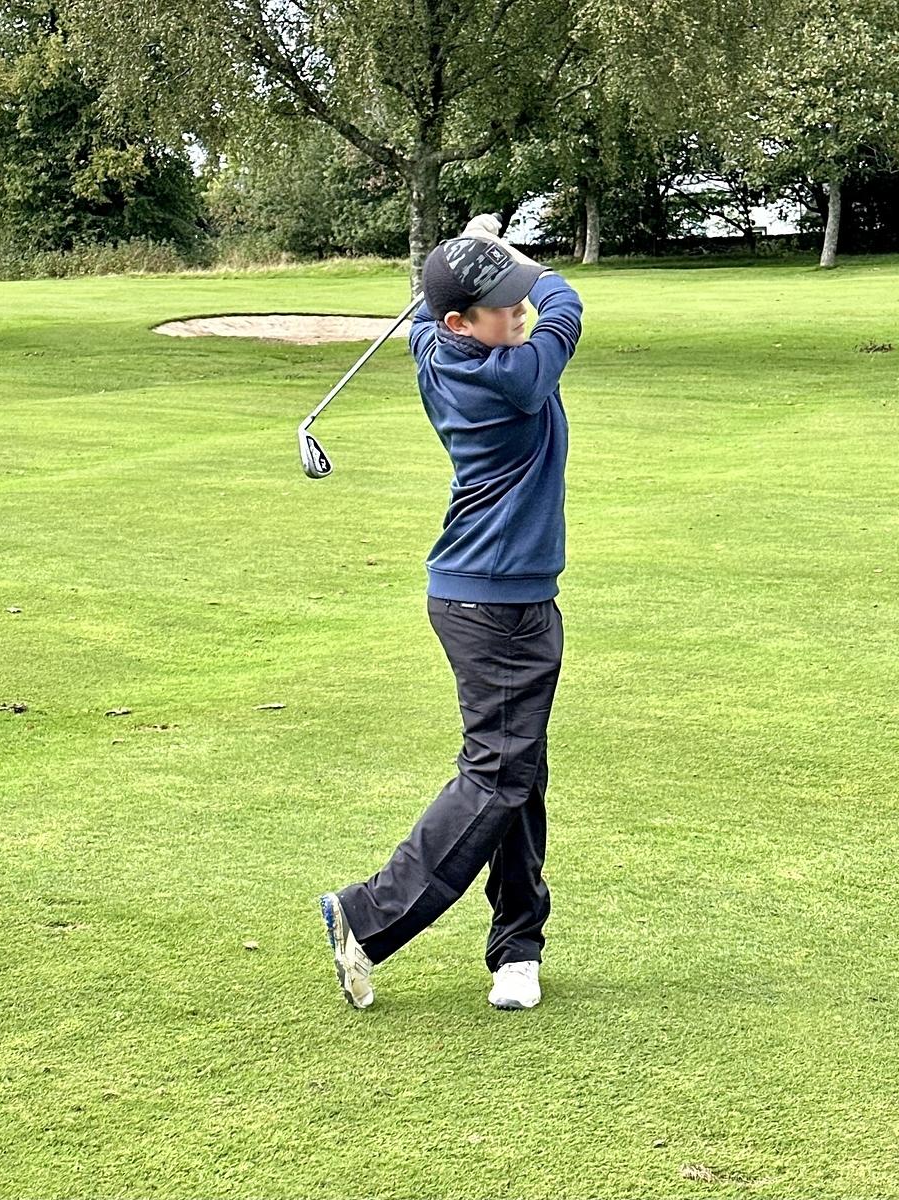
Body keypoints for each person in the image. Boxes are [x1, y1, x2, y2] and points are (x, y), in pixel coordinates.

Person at [319, 213, 584, 1011]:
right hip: (494, 604)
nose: (520, 314)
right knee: (499, 771)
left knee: (518, 768)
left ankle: (517, 948)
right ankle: (368, 914)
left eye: (512, 302)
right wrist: (512, 257)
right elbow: (565, 299)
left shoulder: (434, 350)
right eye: (501, 305)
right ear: (461, 321)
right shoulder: (512, 373)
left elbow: (426, 307)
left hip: (489, 593)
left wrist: (471, 249)